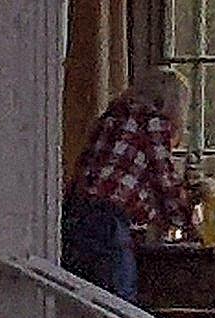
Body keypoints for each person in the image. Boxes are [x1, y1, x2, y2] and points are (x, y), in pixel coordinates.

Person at [62, 67, 196, 301]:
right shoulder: (153, 122)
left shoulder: (111, 118)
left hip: (73, 214)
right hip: (106, 221)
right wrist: (190, 223)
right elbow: (165, 183)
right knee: (119, 303)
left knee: (81, 299)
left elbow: (104, 172)